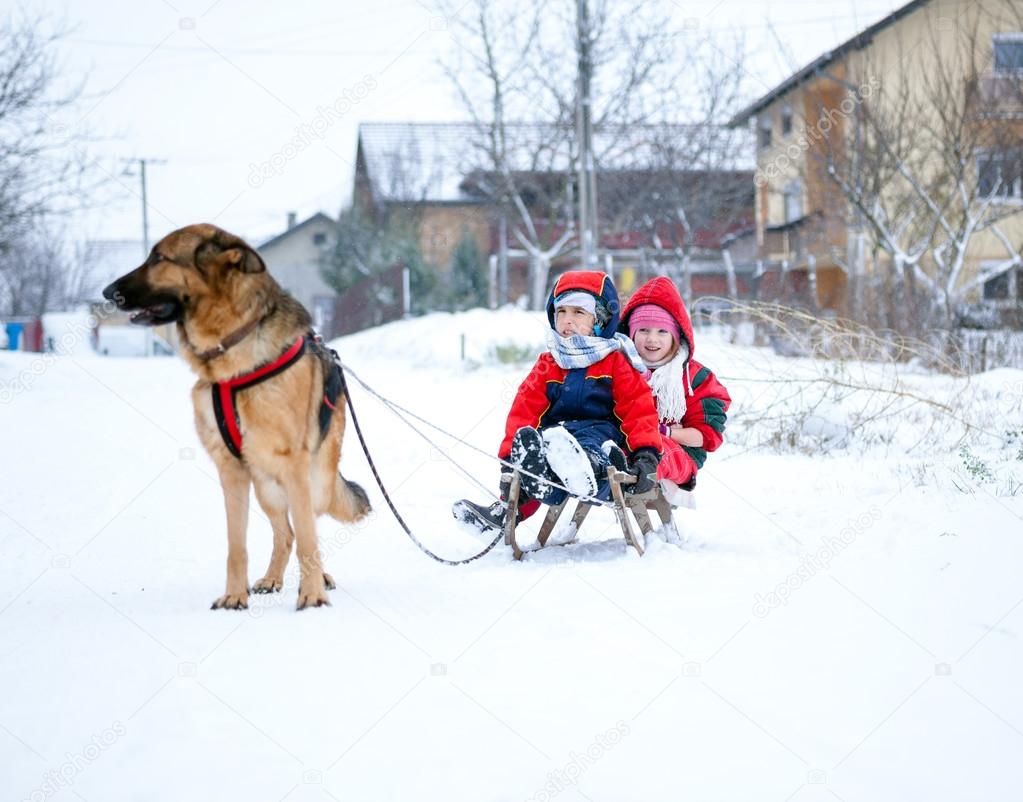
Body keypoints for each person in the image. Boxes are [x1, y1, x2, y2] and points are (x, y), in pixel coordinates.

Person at [453, 270, 662, 534]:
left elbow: (637, 408)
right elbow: (525, 409)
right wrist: (511, 458)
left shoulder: (615, 362)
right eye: (561, 311)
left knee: (589, 444)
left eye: (578, 312)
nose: (567, 320)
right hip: (558, 437)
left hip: (604, 438)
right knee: (542, 448)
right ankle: (511, 506)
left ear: (599, 320)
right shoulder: (549, 362)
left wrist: (646, 454)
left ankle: (585, 467)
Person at [619, 277, 731, 506]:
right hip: (625, 443)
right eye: (643, 330)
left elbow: (706, 436)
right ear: (630, 333)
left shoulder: (695, 377)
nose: (652, 338)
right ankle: (598, 467)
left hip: (678, 454)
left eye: (662, 331)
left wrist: (667, 433)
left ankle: (636, 470)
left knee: (657, 447)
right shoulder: (618, 369)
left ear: (676, 336)